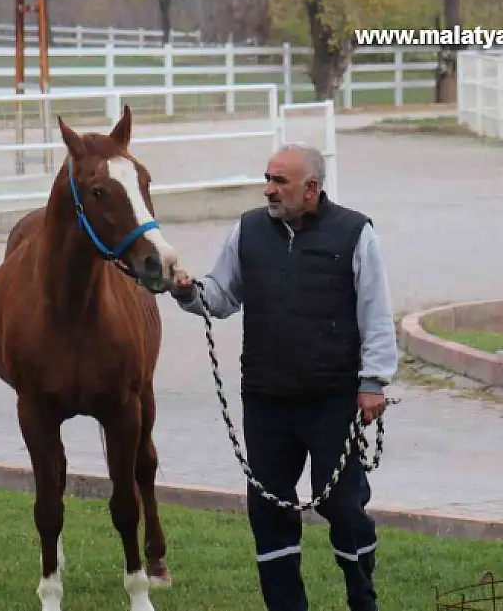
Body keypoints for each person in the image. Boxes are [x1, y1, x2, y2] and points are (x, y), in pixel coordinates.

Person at [168, 142, 398, 611]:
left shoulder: (354, 233)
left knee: (342, 507)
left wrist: (374, 381)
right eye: (267, 179)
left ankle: (362, 595)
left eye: (280, 181)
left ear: (311, 189)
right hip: (266, 398)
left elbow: (375, 310)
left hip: (333, 398)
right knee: (268, 510)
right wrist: (187, 291)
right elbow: (221, 296)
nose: (268, 190)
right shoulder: (248, 230)